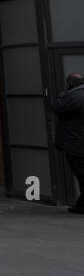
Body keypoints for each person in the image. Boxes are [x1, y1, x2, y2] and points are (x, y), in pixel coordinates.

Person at [50, 72, 84, 214]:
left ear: (70, 84)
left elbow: (57, 107)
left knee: (81, 174)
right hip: (79, 141)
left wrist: (62, 96)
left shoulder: (75, 96)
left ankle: (82, 205)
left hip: (76, 144)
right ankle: (81, 204)